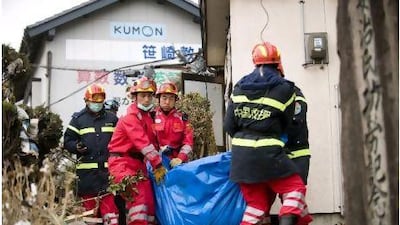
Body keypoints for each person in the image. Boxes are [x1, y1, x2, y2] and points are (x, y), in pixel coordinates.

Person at [223, 41, 312, 225]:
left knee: (256, 206)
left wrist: (246, 136)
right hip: (270, 152)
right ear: (278, 63)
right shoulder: (286, 89)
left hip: (241, 157)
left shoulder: (239, 87)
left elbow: (229, 125)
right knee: (295, 190)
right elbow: (291, 124)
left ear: (254, 62)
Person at [107, 76, 167, 225]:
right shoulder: (130, 118)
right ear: (135, 97)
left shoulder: (147, 117)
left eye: (149, 96)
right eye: (143, 96)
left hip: (138, 164)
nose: (146, 99)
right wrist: (158, 164)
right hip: (122, 163)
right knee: (138, 199)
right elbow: (143, 143)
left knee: (149, 201)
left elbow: (154, 142)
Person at [260, 63, 312, 225]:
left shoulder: (293, 92)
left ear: (279, 73)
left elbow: (296, 120)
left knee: (293, 201)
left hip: (295, 156)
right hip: (271, 156)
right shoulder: (263, 94)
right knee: (262, 204)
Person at [63, 83, 119, 225]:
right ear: (87, 101)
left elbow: (121, 139)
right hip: (87, 176)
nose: (97, 104)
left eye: (100, 101)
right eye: (94, 101)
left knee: (111, 215)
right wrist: (76, 147)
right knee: (89, 216)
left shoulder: (112, 119)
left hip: (108, 175)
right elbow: (67, 141)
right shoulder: (78, 120)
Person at [153, 82, 194, 168]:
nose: (167, 102)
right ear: (159, 98)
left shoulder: (183, 119)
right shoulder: (151, 117)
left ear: (175, 100)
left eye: (171, 98)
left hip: (177, 163)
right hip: (156, 161)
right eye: (164, 98)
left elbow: (188, 141)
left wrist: (180, 158)